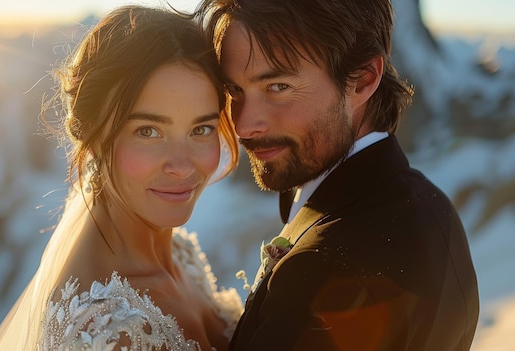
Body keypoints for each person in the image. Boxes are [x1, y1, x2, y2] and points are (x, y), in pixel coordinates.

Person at [196, 0, 480, 350]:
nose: (243, 125)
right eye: (234, 90)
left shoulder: (321, 272)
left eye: (278, 87)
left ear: (362, 80)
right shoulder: (434, 206)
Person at [0, 5, 243, 351]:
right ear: (92, 138)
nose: (182, 166)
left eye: (201, 128)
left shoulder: (178, 252)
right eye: (148, 131)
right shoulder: (105, 330)